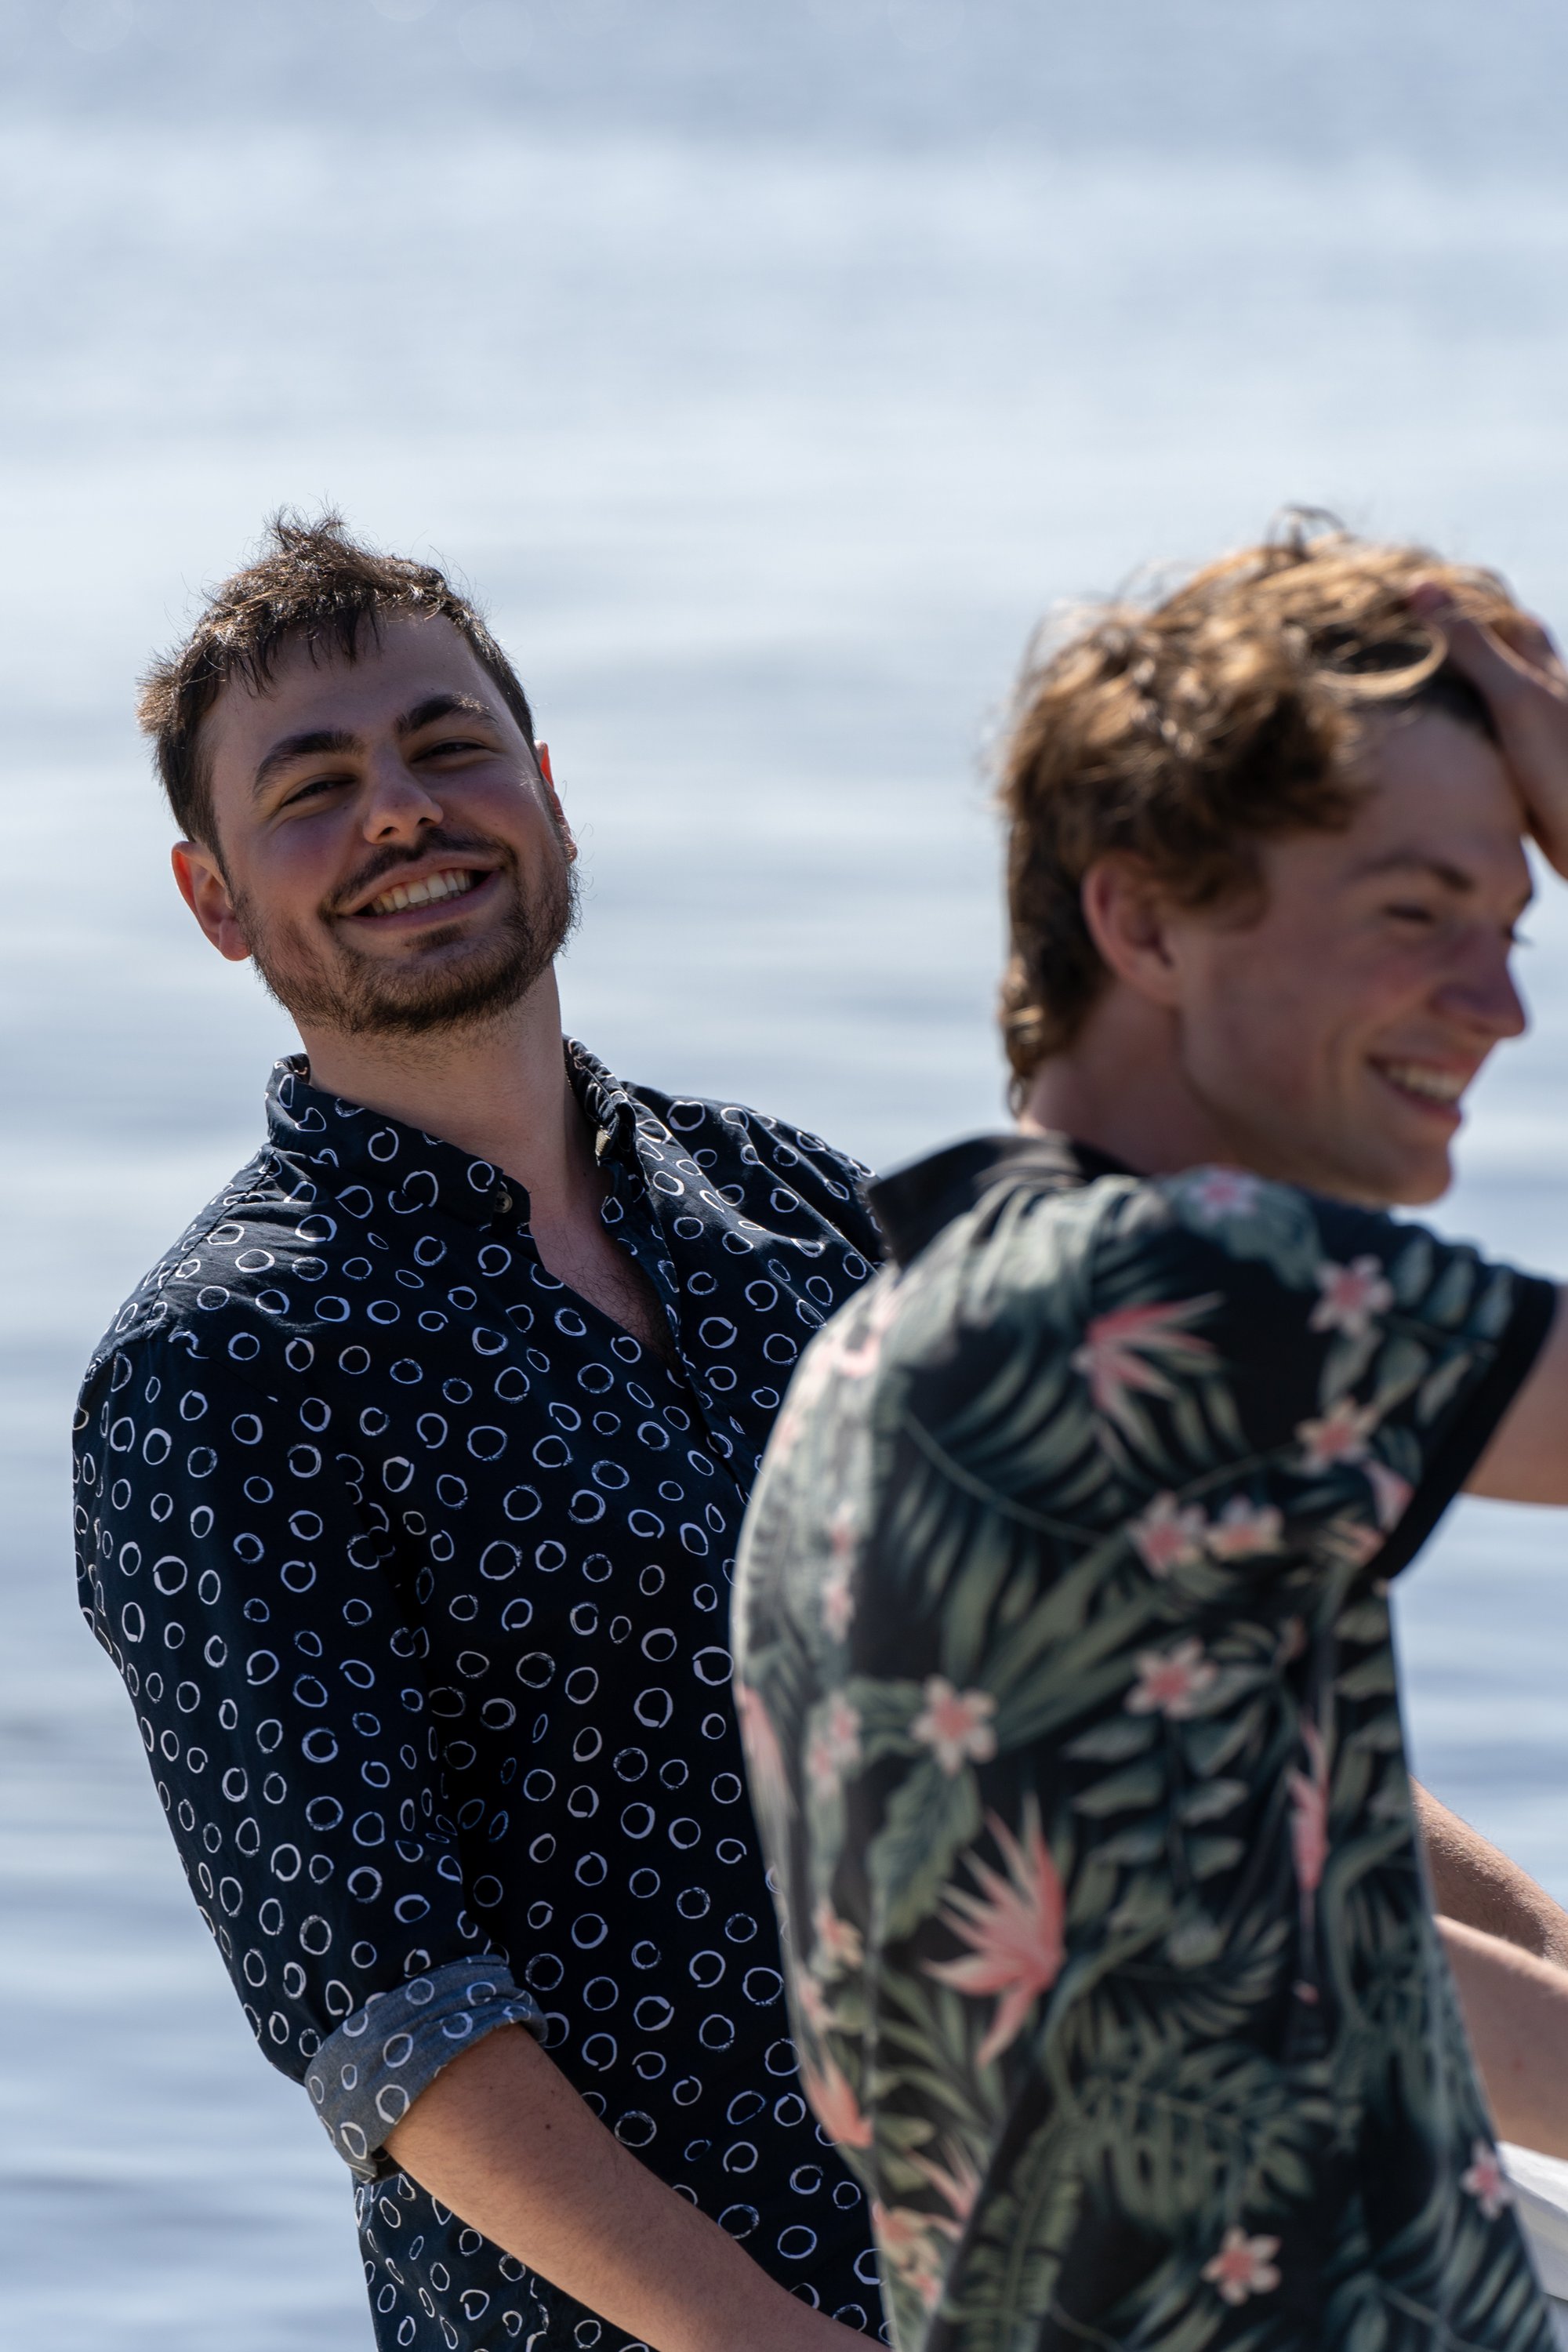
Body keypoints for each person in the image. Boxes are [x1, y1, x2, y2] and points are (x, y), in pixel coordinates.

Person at [732, 523, 1568, 2351]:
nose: (1502, 1008)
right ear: (1143, 920)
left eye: (1511, 928)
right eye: (1415, 912)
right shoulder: (1173, 1300)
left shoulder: (871, 1361)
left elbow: (1272, 1963)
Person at [72, 515, 890, 2352]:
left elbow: (1137, 1686)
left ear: (550, 795)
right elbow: (390, 2016)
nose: (399, 813)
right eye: (313, 788)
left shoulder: (800, 1210)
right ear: (215, 901)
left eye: (449, 748)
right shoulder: (224, 1371)